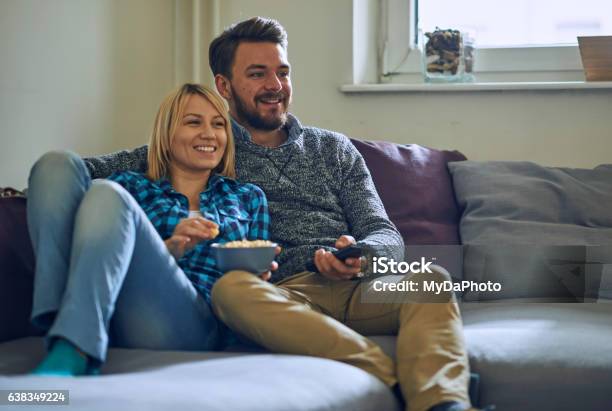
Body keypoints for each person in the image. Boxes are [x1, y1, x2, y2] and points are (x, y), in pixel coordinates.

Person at [81, 17, 491, 411]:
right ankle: (395, 379)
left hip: (360, 287)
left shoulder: (333, 149)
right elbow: (92, 170)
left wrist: (361, 254)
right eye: (257, 74)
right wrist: (31, 191)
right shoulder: (208, 143)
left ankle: (445, 404)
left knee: (430, 279)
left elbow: (384, 233)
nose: (275, 86)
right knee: (231, 290)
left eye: (282, 72)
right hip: (281, 294)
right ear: (224, 85)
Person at [26, 83, 270, 376]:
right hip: (116, 309)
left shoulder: (247, 197)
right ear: (166, 135)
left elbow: (257, 278)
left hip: (196, 324)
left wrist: (258, 275)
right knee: (56, 164)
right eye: (194, 122)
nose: (209, 133)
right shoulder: (132, 187)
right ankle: (64, 329)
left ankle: (74, 345)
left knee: (106, 192)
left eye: (218, 125)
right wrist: (169, 247)